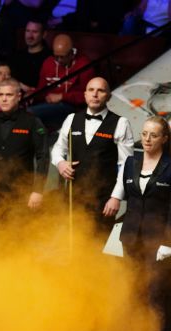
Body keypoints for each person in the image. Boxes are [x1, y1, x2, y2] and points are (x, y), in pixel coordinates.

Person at [114, 116, 171, 331]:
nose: (147, 139)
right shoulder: (130, 162)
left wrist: (168, 242)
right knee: (133, 292)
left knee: (157, 295)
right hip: (131, 238)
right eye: (145, 134)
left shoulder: (170, 165)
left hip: (158, 241)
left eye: (154, 135)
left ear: (164, 139)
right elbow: (123, 193)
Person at [51, 77, 135, 244]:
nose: (95, 94)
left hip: (103, 200)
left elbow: (126, 165)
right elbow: (58, 149)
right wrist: (60, 163)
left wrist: (116, 197)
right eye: (91, 90)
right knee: (71, 244)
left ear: (109, 96)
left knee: (96, 247)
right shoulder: (71, 119)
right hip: (73, 196)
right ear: (85, 94)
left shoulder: (120, 123)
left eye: (101, 90)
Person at [0, 78, 49, 251]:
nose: (4, 99)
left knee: (19, 240)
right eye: (1, 95)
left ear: (18, 97)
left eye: (9, 95)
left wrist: (37, 190)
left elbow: (43, 156)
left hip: (20, 192)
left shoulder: (32, 122)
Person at [29, 34, 95, 130]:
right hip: (48, 104)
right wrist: (32, 95)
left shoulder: (83, 65)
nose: (59, 60)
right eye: (56, 56)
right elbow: (42, 89)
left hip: (71, 106)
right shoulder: (48, 62)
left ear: (72, 53)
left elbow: (88, 96)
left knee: (30, 114)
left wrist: (62, 97)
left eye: (62, 57)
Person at [9, 20, 51, 93]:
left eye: (34, 32)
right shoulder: (17, 55)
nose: (30, 36)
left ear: (44, 34)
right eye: (27, 31)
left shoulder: (49, 58)